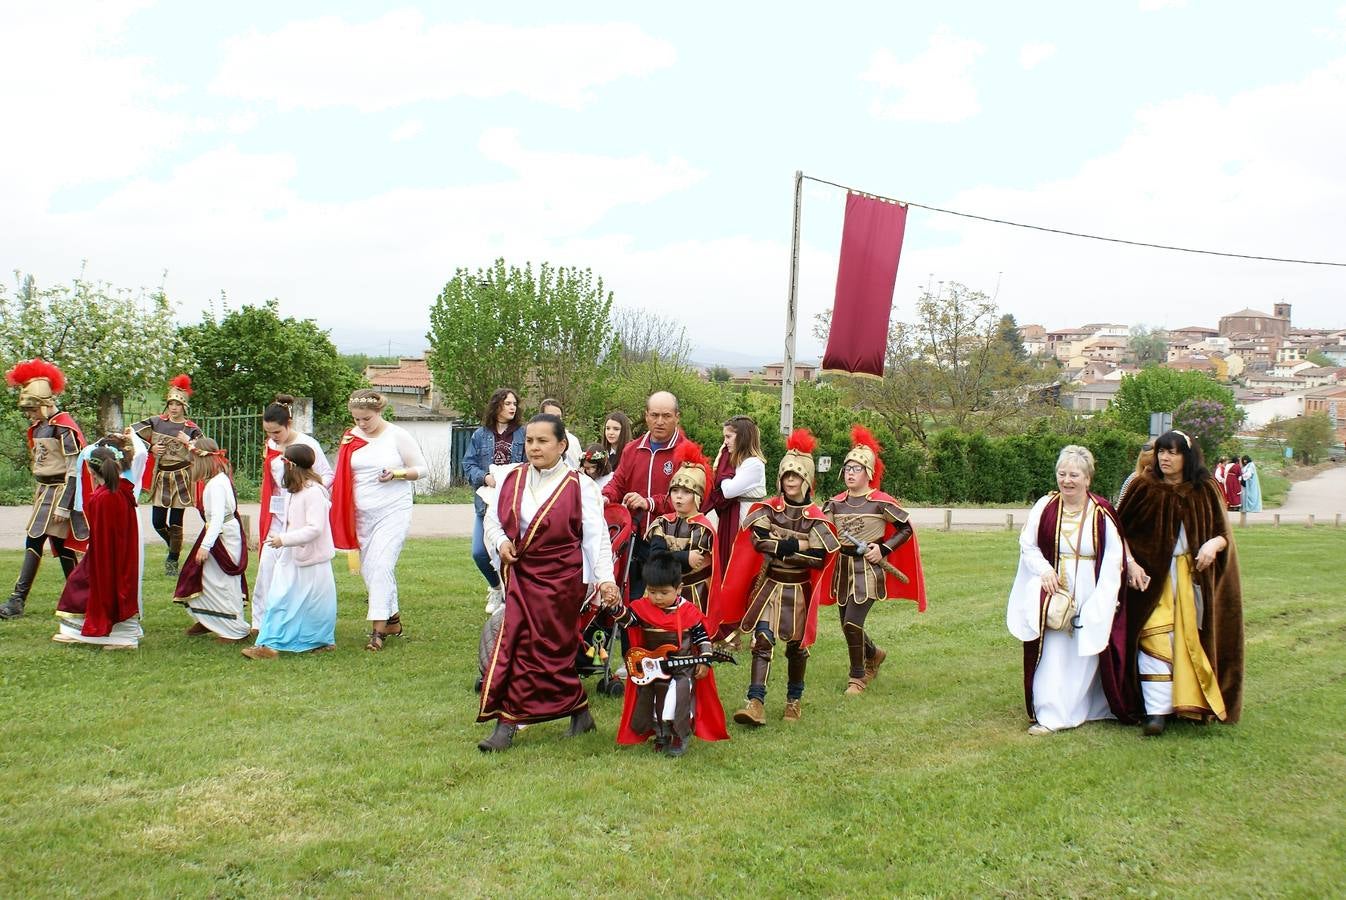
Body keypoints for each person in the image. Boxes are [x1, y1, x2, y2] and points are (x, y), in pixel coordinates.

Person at [477, 413, 618, 752]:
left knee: (550, 652)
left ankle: (527, 718)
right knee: (518, 644)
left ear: (562, 445)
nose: (534, 447)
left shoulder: (580, 486)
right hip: (522, 575)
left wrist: (605, 581)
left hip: (563, 582)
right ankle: (515, 723)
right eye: (530, 441)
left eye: (543, 441)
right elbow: (493, 523)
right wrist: (500, 543)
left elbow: (596, 539)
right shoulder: (510, 478)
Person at [1109, 429, 1243, 736]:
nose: (1165, 458)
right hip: (1150, 582)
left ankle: (1186, 703)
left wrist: (1213, 545)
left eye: (1173, 452)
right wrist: (1129, 563)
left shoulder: (1205, 489)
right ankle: (1155, 712)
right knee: (1153, 637)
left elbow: (1224, 535)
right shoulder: (1143, 487)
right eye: (1161, 452)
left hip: (1190, 581)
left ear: (1188, 456)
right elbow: (1117, 532)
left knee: (1186, 640)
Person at [715, 429, 840, 726]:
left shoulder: (815, 517)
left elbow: (819, 558)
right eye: (786, 476)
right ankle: (755, 701)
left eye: (796, 476)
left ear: (807, 480)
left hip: (799, 590)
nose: (790, 481)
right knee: (762, 640)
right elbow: (759, 541)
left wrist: (783, 545)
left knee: (797, 648)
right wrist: (798, 544)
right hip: (770, 587)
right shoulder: (769, 509)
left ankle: (793, 700)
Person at [1006, 445, 1126, 734]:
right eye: (1062, 474)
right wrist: (1045, 570)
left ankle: (1085, 706)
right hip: (1057, 590)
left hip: (1090, 586)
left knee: (1084, 652)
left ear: (1087, 479)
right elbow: (1028, 544)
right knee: (1054, 652)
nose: (1067, 480)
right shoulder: (1045, 507)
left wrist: (1105, 598)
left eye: (1074, 475)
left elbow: (1113, 556)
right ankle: (1051, 713)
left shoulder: (1101, 511)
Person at [822, 426, 926, 695]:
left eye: (856, 469)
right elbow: (818, 528)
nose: (850, 473)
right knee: (847, 625)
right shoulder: (834, 503)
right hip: (842, 570)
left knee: (851, 623)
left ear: (868, 473)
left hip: (868, 568)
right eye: (847, 468)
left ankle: (857, 677)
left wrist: (884, 549)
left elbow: (905, 528)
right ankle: (874, 654)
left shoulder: (880, 502)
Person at [330, 389, 427, 651]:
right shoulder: (350, 437)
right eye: (357, 419)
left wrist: (397, 473)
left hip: (392, 510)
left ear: (379, 412)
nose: (361, 424)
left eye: (366, 419)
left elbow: (421, 469)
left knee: (381, 565)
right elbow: (340, 474)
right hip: (361, 514)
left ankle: (377, 630)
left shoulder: (397, 435)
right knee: (369, 569)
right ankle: (393, 617)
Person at [612, 550, 729, 756]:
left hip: (681, 669)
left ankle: (679, 735)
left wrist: (706, 659)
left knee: (676, 702)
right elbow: (628, 621)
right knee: (654, 703)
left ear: (679, 588)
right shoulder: (642, 608)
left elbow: (702, 638)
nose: (657, 598)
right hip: (653, 669)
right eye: (652, 591)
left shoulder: (689, 612)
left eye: (664, 592)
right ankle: (660, 734)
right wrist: (615, 607)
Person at [2, 358, 88, 620]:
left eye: (32, 409)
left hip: (60, 491)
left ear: (44, 403)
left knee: (40, 541)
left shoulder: (63, 427)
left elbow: (74, 468)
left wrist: (64, 504)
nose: (29, 414)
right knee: (58, 546)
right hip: (44, 491)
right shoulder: (40, 427)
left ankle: (18, 600)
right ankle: (78, 599)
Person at [245, 444, 337, 659]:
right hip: (293, 554)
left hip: (310, 556)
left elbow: (315, 528)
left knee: (311, 601)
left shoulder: (313, 492)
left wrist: (284, 539)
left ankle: (314, 640)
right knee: (281, 597)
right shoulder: (297, 490)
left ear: (292, 465)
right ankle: (270, 643)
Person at [52, 437, 142, 649]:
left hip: (108, 555)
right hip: (117, 552)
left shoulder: (105, 497)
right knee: (87, 585)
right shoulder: (120, 490)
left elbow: (103, 534)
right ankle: (117, 635)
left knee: (81, 584)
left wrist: (94, 555)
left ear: (91, 472)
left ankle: (119, 637)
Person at [255, 394, 333, 635]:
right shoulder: (270, 445)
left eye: (277, 432)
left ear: (289, 425)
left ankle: (291, 620)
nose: (272, 437)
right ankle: (261, 622)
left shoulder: (308, 446)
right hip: (277, 512)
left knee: (291, 570)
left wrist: (307, 493)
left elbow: (327, 475)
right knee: (267, 566)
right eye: (268, 432)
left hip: (298, 513)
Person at [602, 391, 686, 600]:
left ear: (677, 416)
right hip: (635, 538)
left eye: (666, 416)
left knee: (663, 599)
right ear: (646, 415)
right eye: (654, 415)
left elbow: (688, 499)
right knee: (633, 595)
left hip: (671, 539)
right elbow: (618, 483)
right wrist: (604, 497)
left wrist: (649, 503)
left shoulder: (687, 452)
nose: (659, 421)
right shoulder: (632, 449)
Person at [172, 439, 251, 643]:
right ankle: (209, 619)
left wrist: (205, 546)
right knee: (207, 578)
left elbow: (216, 518)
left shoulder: (216, 485)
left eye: (192, 462)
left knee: (222, 583)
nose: (190, 467)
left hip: (221, 535)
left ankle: (233, 629)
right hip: (221, 532)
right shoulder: (219, 478)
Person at [133, 374, 204, 577]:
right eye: (171, 404)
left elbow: (206, 451)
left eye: (178, 405)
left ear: (184, 407)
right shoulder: (156, 422)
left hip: (182, 477)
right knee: (157, 521)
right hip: (162, 477)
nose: (174, 408)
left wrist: (187, 442)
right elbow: (131, 433)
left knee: (175, 521)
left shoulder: (191, 429)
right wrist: (151, 447)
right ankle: (175, 545)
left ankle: (172, 560)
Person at [462, 388, 524, 614]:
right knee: (479, 552)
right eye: (507, 403)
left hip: (514, 504)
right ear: (496, 405)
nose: (512, 407)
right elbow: (468, 464)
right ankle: (496, 587)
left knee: (510, 553)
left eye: (514, 404)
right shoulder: (480, 435)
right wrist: (484, 477)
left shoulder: (523, 434)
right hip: (486, 504)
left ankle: (511, 599)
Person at [645, 440, 716, 616]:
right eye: (675, 491)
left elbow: (691, 566)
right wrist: (685, 556)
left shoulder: (703, 528)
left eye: (686, 492)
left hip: (695, 592)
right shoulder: (661, 523)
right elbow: (655, 556)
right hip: (660, 591)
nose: (678, 497)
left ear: (698, 496)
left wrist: (671, 556)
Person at [703, 415, 767, 578]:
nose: (725, 442)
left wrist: (723, 470)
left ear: (742, 437)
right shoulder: (737, 463)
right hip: (733, 522)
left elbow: (728, 491)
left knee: (742, 574)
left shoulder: (754, 464)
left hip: (746, 527)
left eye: (728, 437)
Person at [539, 399, 581, 470]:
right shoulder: (533, 440)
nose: (555, 420)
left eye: (558, 417)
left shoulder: (572, 440)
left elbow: (577, 466)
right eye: (551, 416)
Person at [1116, 441, 1154, 506]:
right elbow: (1120, 505)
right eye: (1144, 466)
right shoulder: (1133, 479)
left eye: (1150, 468)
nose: (1146, 470)